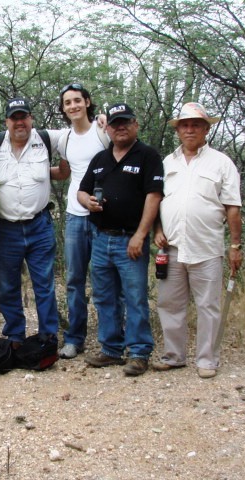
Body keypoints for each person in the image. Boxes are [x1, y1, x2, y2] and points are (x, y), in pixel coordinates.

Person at [153, 102, 242, 379]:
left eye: (195, 124)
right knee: (169, 303)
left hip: (206, 247)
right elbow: (156, 200)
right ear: (178, 130)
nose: (189, 129)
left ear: (206, 129)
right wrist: (157, 229)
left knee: (208, 306)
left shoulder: (221, 163)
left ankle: (207, 360)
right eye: (184, 124)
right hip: (171, 248)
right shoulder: (167, 162)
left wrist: (235, 246)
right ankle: (174, 355)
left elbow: (233, 208)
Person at [77, 103, 164, 376]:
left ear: (135, 124)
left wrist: (141, 234)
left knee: (135, 297)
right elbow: (82, 191)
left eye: (125, 122)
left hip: (131, 240)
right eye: (115, 123)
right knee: (104, 297)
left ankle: (138, 352)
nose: (120, 127)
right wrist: (87, 202)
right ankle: (111, 349)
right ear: (109, 128)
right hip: (101, 239)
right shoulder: (101, 159)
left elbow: (154, 196)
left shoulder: (147, 156)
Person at [0, 97, 66, 346]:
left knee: (44, 285)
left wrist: (99, 121)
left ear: (31, 119)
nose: (20, 122)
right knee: (7, 287)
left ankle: (48, 336)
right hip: (5, 228)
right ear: (7, 121)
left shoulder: (48, 138)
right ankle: (15, 335)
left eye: (24, 117)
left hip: (40, 226)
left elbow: (80, 134)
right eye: (14, 118)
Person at [50, 83, 110, 359]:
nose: (73, 106)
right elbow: (64, 173)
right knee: (74, 279)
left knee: (106, 279)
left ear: (87, 102)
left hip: (104, 216)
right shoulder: (65, 139)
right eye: (67, 103)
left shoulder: (102, 131)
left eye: (77, 100)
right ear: (63, 108)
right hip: (75, 215)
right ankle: (75, 338)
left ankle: (112, 339)